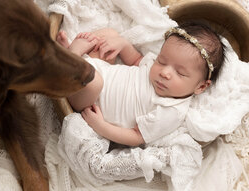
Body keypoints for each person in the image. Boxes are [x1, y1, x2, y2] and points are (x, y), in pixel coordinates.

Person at [56, 22, 225, 146]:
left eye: (180, 73)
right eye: (161, 60)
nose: (164, 72)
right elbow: (136, 59)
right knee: (110, 34)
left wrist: (100, 126)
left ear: (201, 86)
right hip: (98, 69)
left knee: (95, 82)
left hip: (88, 100)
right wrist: (122, 44)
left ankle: (72, 56)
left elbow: (136, 136)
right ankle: (75, 60)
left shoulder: (172, 110)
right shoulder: (154, 67)